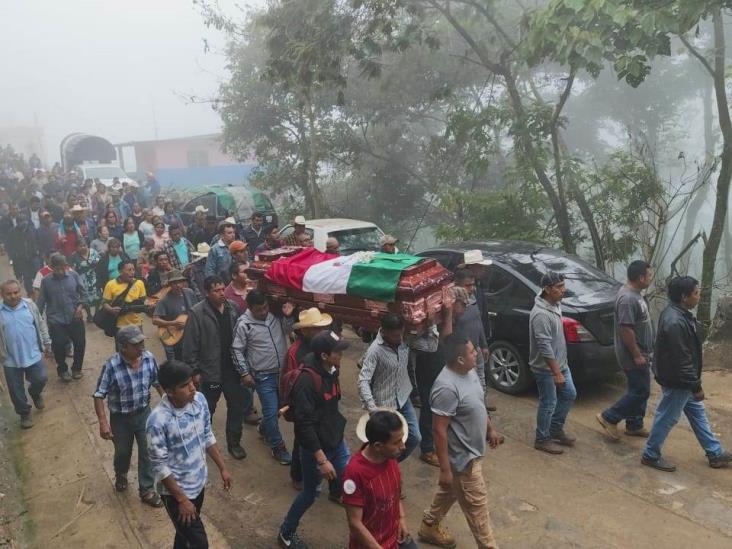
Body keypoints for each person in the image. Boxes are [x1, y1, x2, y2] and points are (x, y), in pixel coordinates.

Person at [417, 335, 500, 549]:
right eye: (472, 352)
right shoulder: (446, 388)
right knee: (478, 509)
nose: (477, 354)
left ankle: (429, 526)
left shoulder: (469, 371)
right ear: (460, 360)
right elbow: (439, 430)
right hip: (463, 460)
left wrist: (489, 428)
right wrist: (445, 469)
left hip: (472, 453)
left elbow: (478, 403)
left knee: (451, 491)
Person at [641, 276, 732, 471]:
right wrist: (695, 386)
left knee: (698, 414)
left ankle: (714, 452)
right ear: (684, 297)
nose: (699, 297)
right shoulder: (675, 321)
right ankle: (650, 454)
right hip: (678, 380)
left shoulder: (678, 314)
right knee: (667, 417)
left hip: (681, 378)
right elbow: (682, 359)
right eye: (696, 293)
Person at [146, 360, 232, 549]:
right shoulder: (158, 421)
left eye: (191, 382)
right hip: (176, 494)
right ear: (169, 391)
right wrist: (182, 499)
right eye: (184, 386)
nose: (192, 388)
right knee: (200, 543)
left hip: (198, 485)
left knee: (184, 535)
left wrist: (223, 468)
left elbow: (207, 435)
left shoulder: (199, 400)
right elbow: (159, 466)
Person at [278, 330, 350, 549]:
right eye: (338, 352)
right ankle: (285, 532)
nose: (341, 356)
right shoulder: (307, 381)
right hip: (316, 449)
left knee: (351, 481)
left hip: (335, 440)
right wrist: (321, 460)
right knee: (311, 493)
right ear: (324, 355)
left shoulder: (332, 370)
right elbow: (305, 426)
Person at [93, 325, 163, 507]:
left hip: (144, 414)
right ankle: (121, 473)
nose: (141, 347)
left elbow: (157, 382)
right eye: (136, 344)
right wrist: (103, 423)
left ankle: (146, 489)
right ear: (123, 346)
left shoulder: (148, 358)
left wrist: (166, 404)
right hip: (121, 419)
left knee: (148, 450)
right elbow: (99, 395)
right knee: (123, 452)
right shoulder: (111, 366)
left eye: (142, 342)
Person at [182, 275, 248, 460]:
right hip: (209, 371)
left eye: (222, 289)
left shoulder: (232, 308)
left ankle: (234, 443)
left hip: (232, 369)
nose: (221, 293)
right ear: (207, 292)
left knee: (236, 407)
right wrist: (194, 371)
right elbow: (190, 344)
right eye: (216, 291)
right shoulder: (197, 313)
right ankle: (202, 442)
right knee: (206, 410)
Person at [232, 289, 294, 465]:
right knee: (271, 411)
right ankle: (277, 447)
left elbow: (289, 331)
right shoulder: (244, 324)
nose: (263, 312)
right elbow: (236, 349)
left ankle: (265, 428)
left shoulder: (275, 316)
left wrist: (288, 317)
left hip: (282, 374)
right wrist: (244, 372)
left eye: (265, 307)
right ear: (250, 308)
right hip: (263, 376)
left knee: (279, 409)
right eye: (259, 309)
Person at [597, 260, 655, 442]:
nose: (651, 278)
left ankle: (634, 424)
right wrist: (637, 354)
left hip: (642, 352)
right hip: (632, 355)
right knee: (641, 391)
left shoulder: (635, 294)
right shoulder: (627, 299)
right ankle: (609, 417)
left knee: (637, 388)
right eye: (649, 275)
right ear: (640, 277)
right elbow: (626, 329)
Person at [344, 411, 417, 549]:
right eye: (396, 442)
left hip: (395, 538)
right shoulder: (355, 473)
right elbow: (355, 523)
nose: (403, 446)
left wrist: (401, 518)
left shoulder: (390, 457)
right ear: (378, 446)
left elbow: (396, 494)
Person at [358, 313, 421, 463]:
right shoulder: (375, 351)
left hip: (403, 397)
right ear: (384, 332)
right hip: (384, 405)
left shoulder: (405, 341)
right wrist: (372, 408)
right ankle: (381, 467)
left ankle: (389, 465)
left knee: (414, 437)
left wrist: (431, 326)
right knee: (381, 444)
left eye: (400, 334)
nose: (398, 339)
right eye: (394, 336)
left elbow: (431, 346)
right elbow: (363, 380)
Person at [284, 308, 334, 489]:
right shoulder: (295, 352)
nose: (320, 332)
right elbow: (290, 380)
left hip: (323, 400)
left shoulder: (322, 346)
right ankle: (297, 475)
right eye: (316, 329)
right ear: (305, 330)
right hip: (304, 403)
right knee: (302, 439)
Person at [529, 271, 577, 455]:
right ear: (547, 289)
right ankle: (541, 439)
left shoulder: (555, 304)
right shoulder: (540, 314)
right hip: (546, 368)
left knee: (569, 394)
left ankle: (555, 429)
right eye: (559, 287)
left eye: (563, 286)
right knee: (548, 402)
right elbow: (544, 346)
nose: (563, 290)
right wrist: (556, 372)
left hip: (561, 364)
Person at [0, 279, 51, 429]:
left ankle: (35, 393)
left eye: (16, 292)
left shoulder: (29, 305)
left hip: (33, 353)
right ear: (2, 294)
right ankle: (24, 414)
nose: (13, 296)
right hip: (10, 359)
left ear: (20, 291)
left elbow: (40, 323)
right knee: (15, 390)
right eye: (8, 293)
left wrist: (47, 343)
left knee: (41, 378)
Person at [36, 254, 86, 381]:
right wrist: (36, 320)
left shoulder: (74, 276)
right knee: (58, 346)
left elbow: (84, 294)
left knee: (80, 344)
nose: (61, 271)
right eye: (57, 268)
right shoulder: (46, 281)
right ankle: (63, 370)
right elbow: (41, 302)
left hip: (75, 317)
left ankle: (76, 368)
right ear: (51, 267)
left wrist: (80, 307)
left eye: (63, 267)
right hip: (56, 320)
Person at [153, 270, 198, 361]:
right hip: (173, 334)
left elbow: (197, 311)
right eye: (174, 283)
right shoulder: (164, 300)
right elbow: (155, 320)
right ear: (170, 284)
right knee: (175, 358)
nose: (178, 285)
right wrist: (173, 323)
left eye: (180, 282)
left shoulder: (189, 293)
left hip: (189, 333)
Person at [101, 260, 147, 333]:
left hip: (136, 323)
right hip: (119, 325)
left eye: (133, 269)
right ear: (120, 271)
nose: (132, 272)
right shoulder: (110, 284)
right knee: (121, 344)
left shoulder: (139, 283)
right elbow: (104, 303)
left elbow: (144, 301)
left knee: (139, 344)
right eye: (129, 270)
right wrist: (110, 310)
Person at [69, 240, 101, 322]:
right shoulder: (74, 256)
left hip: (94, 277)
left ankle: (97, 313)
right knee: (85, 298)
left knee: (97, 296)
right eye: (80, 246)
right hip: (82, 280)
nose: (83, 247)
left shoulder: (93, 252)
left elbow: (100, 262)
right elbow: (71, 270)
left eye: (84, 245)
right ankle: (89, 315)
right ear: (76, 247)